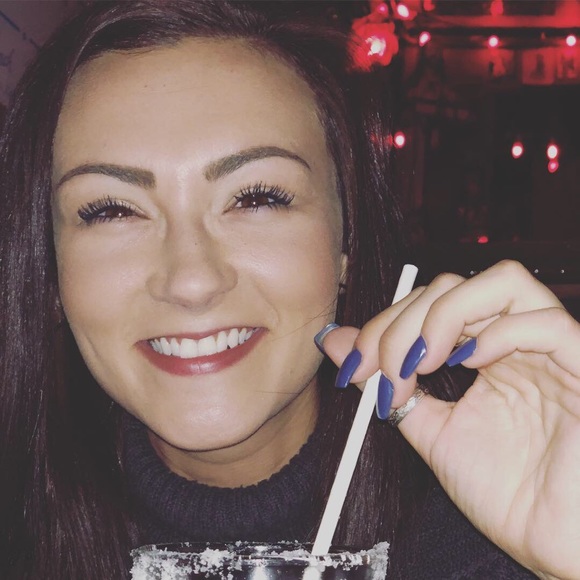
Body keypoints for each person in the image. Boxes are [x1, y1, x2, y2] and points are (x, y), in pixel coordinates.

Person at [0, 2, 579, 579]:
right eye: (111, 210)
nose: (192, 281)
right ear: (48, 268)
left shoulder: (493, 526)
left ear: (346, 240)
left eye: (256, 198)